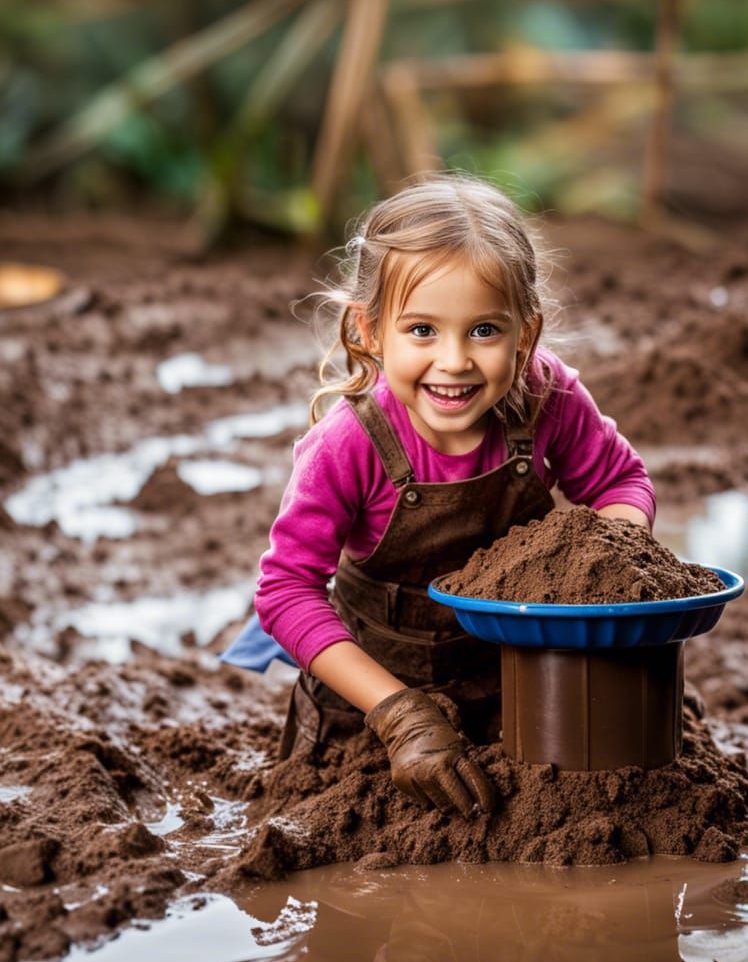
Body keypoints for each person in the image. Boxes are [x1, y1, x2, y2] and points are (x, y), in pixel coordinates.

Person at [223, 175, 654, 818]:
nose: (453, 361)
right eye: (422, 330)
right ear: (369, 331)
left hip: (514, 686)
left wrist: (605, 570)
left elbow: (622, 483)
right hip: (369, 708)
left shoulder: (546, 396)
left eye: (484, 330)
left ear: (525, 333)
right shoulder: (347, 445)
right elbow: (285, 592)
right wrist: (400, 717)